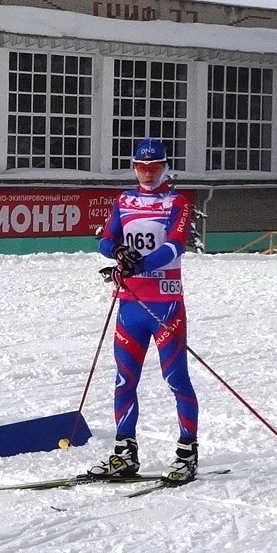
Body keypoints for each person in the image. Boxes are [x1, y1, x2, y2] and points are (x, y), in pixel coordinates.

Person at [90, 138, 200, 483]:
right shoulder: (124, 200)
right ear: (134, 167)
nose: (148, 174)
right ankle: (124, 452)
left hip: (165, 304)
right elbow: (106, 239)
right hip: (131, 305)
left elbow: (175, 245)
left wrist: (140, 263)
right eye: (141, 167)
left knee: (176, 378)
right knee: (124, 380)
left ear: (165, 166)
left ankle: (187, 452)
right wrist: (118, 253)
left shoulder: (177, 202)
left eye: (154, 167)